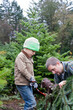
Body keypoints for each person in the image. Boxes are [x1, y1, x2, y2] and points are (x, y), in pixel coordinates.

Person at [14, 37, 40, 110]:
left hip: (28, 83)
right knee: (31, 102)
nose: (34, 53)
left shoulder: (29, 57)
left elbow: (31, 71)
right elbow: (23, 70)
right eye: (33, 51)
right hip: (22, 84)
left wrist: (33, 80)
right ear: (27, 48)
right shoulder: (20, 57)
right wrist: (30, 78)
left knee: (30, 103)